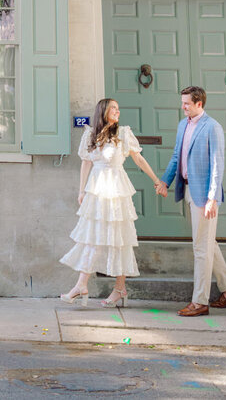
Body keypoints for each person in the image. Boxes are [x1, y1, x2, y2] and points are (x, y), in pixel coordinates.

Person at [60, 98, 163, 308]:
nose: (117, 111)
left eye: (118, 107)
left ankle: (119, 289)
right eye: (113, 108)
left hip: (116, 190)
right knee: (92, 237)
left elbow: (139, 159)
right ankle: (81, 284)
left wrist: (156, 180)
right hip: (96, 191)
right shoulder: (90, 133)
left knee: (119, 239)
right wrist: (81, 191)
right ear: (103, 111)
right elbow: (86, 164)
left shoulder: (124, 133)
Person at [157, 85, 226, 317]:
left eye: (186, 103)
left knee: (201, 247)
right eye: (182, 102)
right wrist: (165, 181)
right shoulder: (183, 125)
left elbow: (217, 164)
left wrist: (212, 198)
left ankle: (200, 302)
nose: (182, 107)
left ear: (199, 104)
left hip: (205, 197)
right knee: (207, 243)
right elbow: (177, 156)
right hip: (188, 191)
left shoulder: (212, 127)